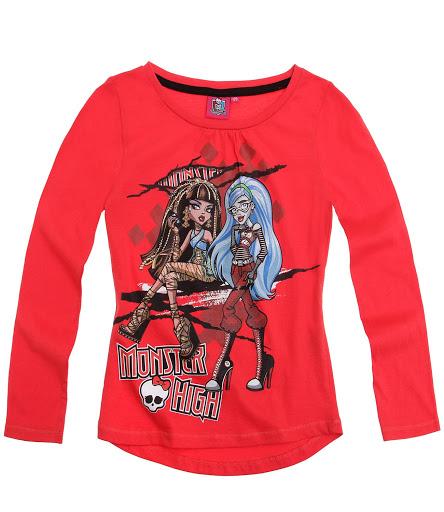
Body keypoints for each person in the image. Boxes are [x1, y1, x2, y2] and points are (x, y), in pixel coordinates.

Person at [119, 178, 221, 359]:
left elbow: (216, 254)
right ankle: (181, 330)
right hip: (192, 270)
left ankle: (141, 311)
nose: (202, 213)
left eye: (208, 209)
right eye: (196, 206)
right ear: (187, 209)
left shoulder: (207, 234)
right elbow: (177, 256)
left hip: (206, 271)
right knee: (170, 276)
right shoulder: (191, 233)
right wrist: (175, 234)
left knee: (169, 268)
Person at [206, 176, 282, 391]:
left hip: (247, 270)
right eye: (233, 209)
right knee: (249, 308)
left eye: (243, 206)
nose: (238, 212)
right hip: (235, 270)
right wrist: (234, 255)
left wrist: (254, 270)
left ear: (251, 206)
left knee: (229, 307)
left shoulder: (256, 228)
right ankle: (261, 363)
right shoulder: (235, 229)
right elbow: (233, 247)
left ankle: (221, 366)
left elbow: (264, 250)